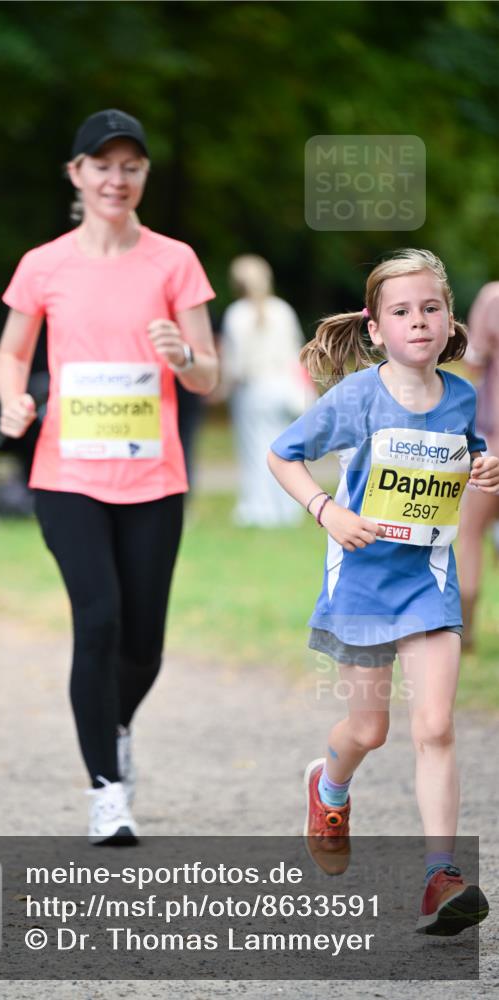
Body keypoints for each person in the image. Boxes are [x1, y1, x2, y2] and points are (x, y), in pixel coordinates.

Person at [0, 110, 218, 844]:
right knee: (96, 621)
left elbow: (210, 376)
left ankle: (113, 723)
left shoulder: (174, 261)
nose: (115, 179)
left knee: (142, 644)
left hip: (154, 477)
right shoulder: (44, 265)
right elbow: (11, 351)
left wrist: (181, 358)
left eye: (130, 166)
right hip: (66, 475)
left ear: (143, 176)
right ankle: (105, 790)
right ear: (76, 174)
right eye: (102, 165)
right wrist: (13, 399)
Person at [267, 249, 497, 935]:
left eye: (430, 308)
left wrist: (484, 469)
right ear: (375, 329)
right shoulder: (356, 397)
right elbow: (282, 454)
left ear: (449, 319)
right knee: (370, 729)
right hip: (362, 581)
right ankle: (328, 785)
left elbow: (472, 453)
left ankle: (438, 877)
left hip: (428, 582)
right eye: (401, 312)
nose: (418, 321)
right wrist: (326, 511)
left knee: (435, 726)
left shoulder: (461, 397)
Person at [221, 255, 310, 527]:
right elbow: (297, 351)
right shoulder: (282, 309)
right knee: (283, 450)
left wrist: (223, 389)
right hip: (286, 388)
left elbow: (234, 365)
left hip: (254, 390)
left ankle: (258, 509)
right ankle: (286, 509)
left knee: (255, 450)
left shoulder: (237, 314)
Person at [456, 282, 499, 650]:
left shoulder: (492, 298)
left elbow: (474, 363)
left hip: (494, 437)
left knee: (470, 530)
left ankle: (466, 630)